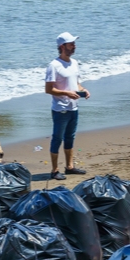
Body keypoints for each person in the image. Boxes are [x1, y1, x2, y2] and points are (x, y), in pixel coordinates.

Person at [45, 32, 89, 181]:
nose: (74, 46)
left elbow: (76, 83)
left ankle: (69, 167)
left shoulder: (74, 63)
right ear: (62, 46)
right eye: (71, 44)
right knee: (57, 138)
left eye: (74, 44)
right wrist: (66, 93)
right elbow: (49, 89)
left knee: (70, 137)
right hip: (60, 109)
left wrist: (83, 90)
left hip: (73, 107)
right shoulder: (54, 66)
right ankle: (54, 170)